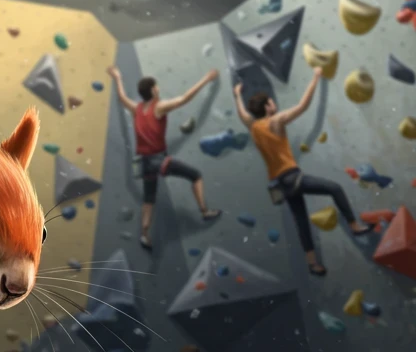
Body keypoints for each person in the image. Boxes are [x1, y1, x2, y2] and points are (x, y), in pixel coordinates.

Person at [232, 68, 372, 276]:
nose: (274, 103)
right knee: (335, 188)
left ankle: (312, 263)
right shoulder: (276, 121)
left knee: (301, 220)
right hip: (292, 178)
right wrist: (315, 76)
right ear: (268, 107)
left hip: (279, 186)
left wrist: (237, 95)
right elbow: (303, 105)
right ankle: (353, 225)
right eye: (271, 102)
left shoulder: (253, 126)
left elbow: (242, 113)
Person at [107, 66, 222, 250]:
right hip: (158, 160)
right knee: (196, 175)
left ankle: (144, 235)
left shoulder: (136, 109)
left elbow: (122, 98)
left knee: (148, 199)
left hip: (144, 164)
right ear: (152, 90)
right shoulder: (158, 107)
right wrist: (206, 79)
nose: (158, 89)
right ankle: (205, 211)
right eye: (156, 87)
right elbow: (185, 98)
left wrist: (118, 77)